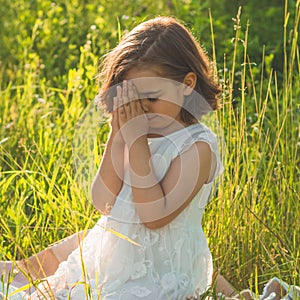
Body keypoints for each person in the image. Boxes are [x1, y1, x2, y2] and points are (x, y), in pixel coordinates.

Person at [0, 16, 298, 300]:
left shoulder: (197, 146)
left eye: (151, 98)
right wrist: (116, 138)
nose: (141, 109)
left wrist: (137, 145)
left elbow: (155, 218)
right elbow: (103, 202)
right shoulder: (133, 133)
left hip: (161, 271)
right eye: (131, 99)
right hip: (114, 260)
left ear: (187, 85)